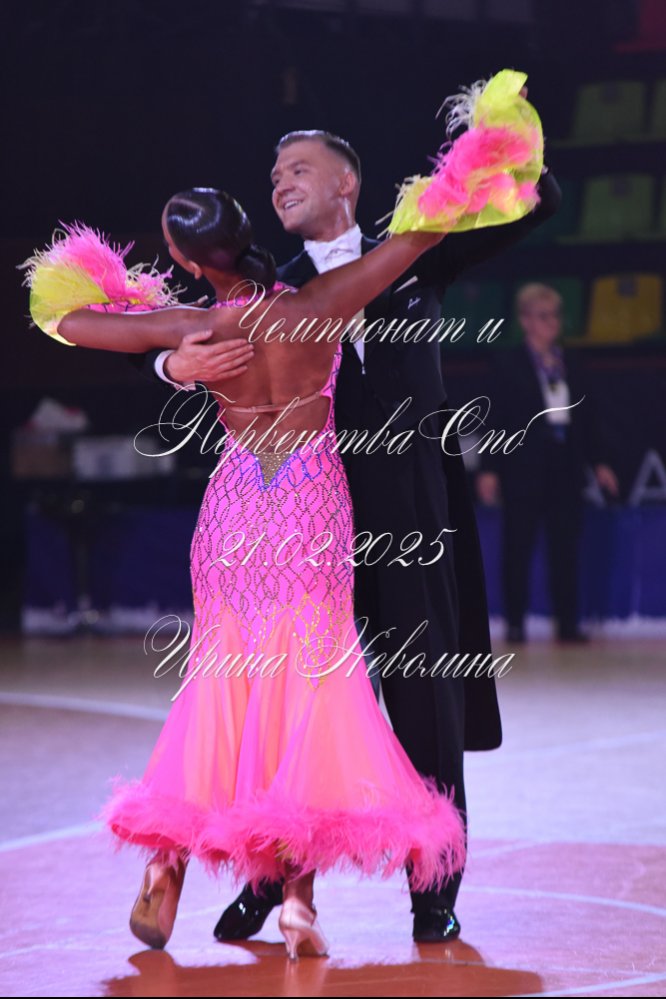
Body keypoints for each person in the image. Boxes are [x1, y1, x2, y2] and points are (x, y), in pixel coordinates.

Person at [30, 187, 476, 959]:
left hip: (235, 509)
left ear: (183, 259)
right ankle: (298, 902)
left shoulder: (191, 325)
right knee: (306, 692)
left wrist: (166, 354)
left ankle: (164, 867)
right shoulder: (321, 302)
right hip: (309, 507)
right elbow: (420, 238)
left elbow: (61, 319)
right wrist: (469, 178)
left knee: (219, 687)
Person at [140, 129, 563, 942]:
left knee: (426, 704)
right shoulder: (274, 288)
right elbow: (158, 337)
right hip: (309, 530)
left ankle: (433, 886)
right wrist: (171, 368)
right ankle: (268, 879)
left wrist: (502, 146)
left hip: (411, 520)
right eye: (273, 174)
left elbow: (537, 205)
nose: (279, 182)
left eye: (298, 168)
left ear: (347, 183)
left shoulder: (416, 249)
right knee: (287, 708)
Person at [476, 282, 619, 642]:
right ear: (525, 320)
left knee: (565, 548)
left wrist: (599, 462)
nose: (552, 322)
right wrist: (489, 469)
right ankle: (515, 622)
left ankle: (567, 623)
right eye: (543, 316)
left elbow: (587, 417)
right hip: (522, 467)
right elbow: (494, 418)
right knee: (517, 547)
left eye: (555, 315)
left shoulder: (571, 362)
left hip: (565, 466)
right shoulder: (507, 364)